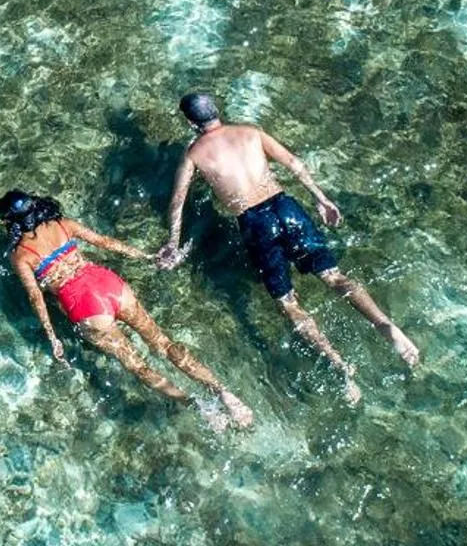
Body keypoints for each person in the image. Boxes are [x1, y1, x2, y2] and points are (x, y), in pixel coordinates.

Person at [158, 92, 418, 405]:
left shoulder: (194, 153)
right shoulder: (251, 133)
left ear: (189, 122)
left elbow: (178, 201)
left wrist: (173, 243)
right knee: (334, 277)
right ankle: (386, 325)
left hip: (255, 223)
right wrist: (322, 200)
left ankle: (341, 367)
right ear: (217, 111)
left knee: (287, 302)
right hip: (287, 208)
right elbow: (294, 163)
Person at [0, 189, 254, 429]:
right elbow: (105, 242)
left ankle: (196, 405)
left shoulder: (21, 255)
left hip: (85, 306)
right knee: (163, 343)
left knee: (138, 366)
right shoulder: (63, 224)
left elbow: (35, 296)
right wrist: (146, 256)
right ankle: (220, 389)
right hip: (109, 284)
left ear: (10, 222)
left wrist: (52, 336)